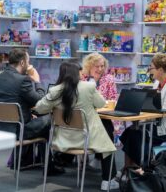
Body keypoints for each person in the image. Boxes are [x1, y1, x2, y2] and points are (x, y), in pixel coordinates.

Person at [34, 61, 119, 190]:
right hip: (87, 139)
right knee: (108, 144)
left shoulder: (55, 90)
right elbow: (101, 103)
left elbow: (39, 108)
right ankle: (108, 181)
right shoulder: (88, 87)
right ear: (76, 73)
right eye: (80, 71)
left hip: (63, 140)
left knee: (106, 132)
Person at [0, 49, 63, 175]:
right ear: (23, 62)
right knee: (49, 119)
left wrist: (27, 113)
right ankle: (49, 165)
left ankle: (27, 161)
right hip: (19, 130)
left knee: (39, 120)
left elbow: (13, 101)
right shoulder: (23, 80)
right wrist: (37, 80)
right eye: (28, 61)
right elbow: (41, 102)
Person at [120, 53, 166, 168]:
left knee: (137, 135)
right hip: (157, 123)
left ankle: (140, 168)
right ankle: (132, 169)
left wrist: (144, 118)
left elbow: (165, 112)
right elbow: (153, 106)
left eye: (151, 68)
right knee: (130, 132)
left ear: (160, 70)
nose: (149, 71)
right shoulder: (157, 83)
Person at [81, 52, 118, 169]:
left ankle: (100, 159)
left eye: (102, 66)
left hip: (104, 115)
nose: (100, 69)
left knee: (106, 126)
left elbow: (112, 99)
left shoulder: (109, 79)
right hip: (85, 119)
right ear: (89, 66)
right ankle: (107, 172)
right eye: (97, 66)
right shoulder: (82, 78)